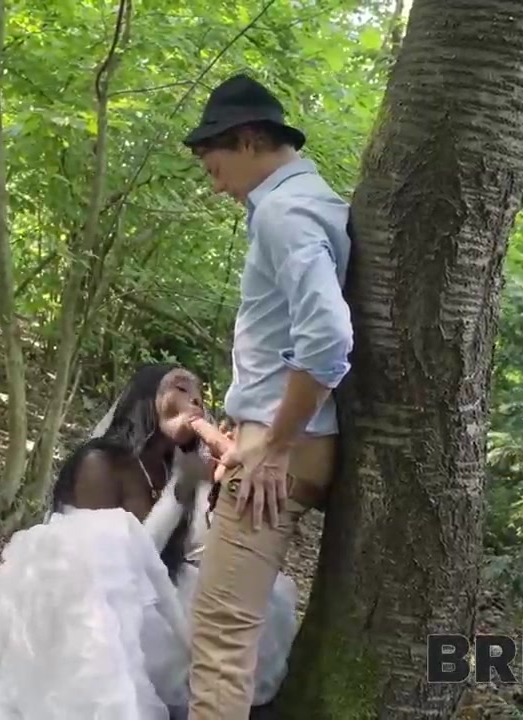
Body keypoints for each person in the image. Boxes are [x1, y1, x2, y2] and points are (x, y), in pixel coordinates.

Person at [0, 363, 299, 719]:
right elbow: (114, 563)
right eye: (181, 388)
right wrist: (179, 491)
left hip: (157, 594)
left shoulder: (179, 467)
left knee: (259, 604)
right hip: (91, 602)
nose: (194, 401)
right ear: (146, 396)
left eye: (199, 397)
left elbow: (194, 550)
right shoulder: (99, 463)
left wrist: (213, 486)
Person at [180, 73, 355, 719]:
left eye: (215, 166)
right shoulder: (312, 204)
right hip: (291, 439)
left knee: (221, 640)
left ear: (251, 140)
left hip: (282, 448)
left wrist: (275, 444)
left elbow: (329, 337)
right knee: (228, 631)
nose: (216, 185)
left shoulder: (285, 214)